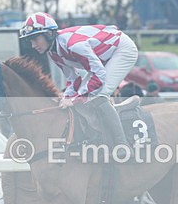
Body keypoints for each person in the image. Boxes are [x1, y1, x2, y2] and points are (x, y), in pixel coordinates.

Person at [20, 12, 138, 156]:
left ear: (49, 34)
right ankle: (96, 138)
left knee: (98, 95)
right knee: (84, 94)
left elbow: (99, 76)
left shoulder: (74, 45)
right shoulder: (53, 51)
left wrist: (75, 100)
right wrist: (66, 98)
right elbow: (73, 80)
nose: (33, 45)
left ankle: (122, 144)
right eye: (30, 41)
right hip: (104, 54)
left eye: (35, 39)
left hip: (122, 49)